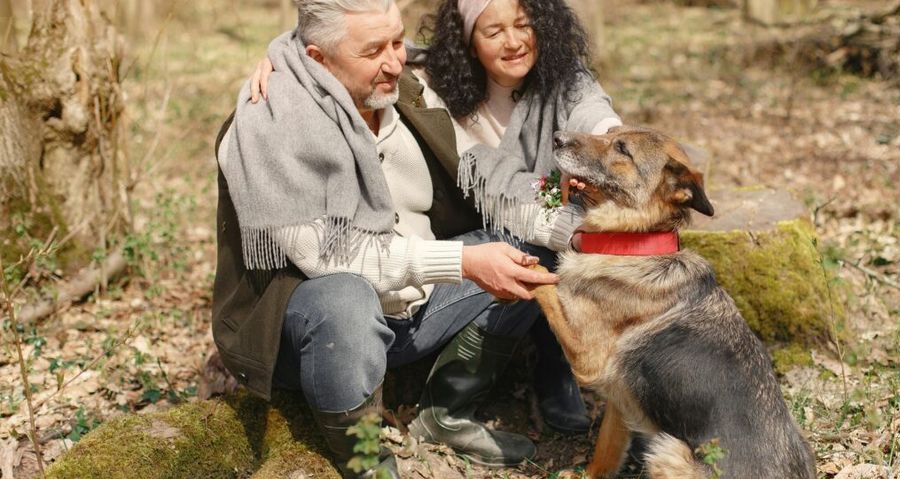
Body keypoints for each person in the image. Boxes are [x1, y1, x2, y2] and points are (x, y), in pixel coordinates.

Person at [213, 0, 560, 479]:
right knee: (344, 298)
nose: (396, 61)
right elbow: (328, 257)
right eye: (374, 50)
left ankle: (445, 410)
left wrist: (583, 231)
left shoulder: (406, 91)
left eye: (397, 42)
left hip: (414, 308)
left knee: (524, 249)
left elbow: (492, 185)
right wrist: (462, 263)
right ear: (318, 58)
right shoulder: (269, 124)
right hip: (317, 332)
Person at [249, 0, 622, 435]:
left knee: (531, 249)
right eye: (494, 30)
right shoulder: (423, 84)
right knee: (346, 298)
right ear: (465, 41)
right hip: (375, 291)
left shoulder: (555, 75)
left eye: (524, 25)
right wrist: (283, 55)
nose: (514, 41)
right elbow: (341, 42)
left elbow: (588, 113)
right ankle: (365, 466)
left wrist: (609, 167)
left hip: (489, 231)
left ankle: (464, 402)